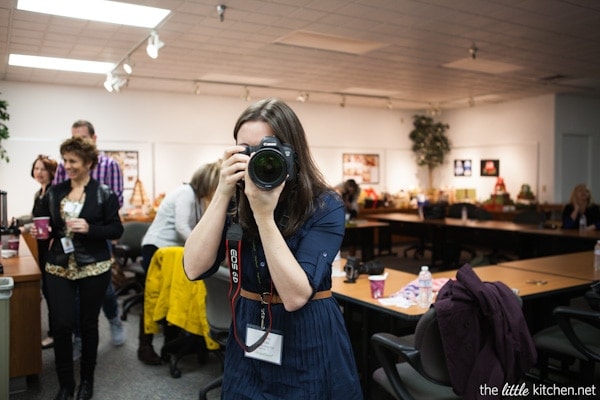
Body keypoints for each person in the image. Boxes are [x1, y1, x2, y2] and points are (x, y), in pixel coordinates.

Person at [183, 98, 363, 399]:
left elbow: (295, 296)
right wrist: (223, 191)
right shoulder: (232, 200)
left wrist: (263, 216)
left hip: (307, 332)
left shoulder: (324, 205)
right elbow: (193, 267)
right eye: (246, 150)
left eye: (268, 149)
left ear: (292, 151)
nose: (258, 160)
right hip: (249, 325)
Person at [37, 136, 123, 400]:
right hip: (58, 266)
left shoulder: (104, 193)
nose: (67, 165)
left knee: (88, 326)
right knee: (61, 325)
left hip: (93, 267)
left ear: (88, 163)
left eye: (73, 161)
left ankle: (86, 381)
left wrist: (90, 228)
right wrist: (41, 230)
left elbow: (116, 229)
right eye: (65, 160)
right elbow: (51, 225)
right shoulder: (56, 191)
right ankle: (65, 384)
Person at [137, 160, 221, 365]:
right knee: (155, 297)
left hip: (174, 253)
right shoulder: (186, 193)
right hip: (158, 250)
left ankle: (170, 343)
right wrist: (203, 247)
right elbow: (182, 228)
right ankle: (144, 346)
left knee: (172, 296)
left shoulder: (198, 200)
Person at [53, 119, 126, 354]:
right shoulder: (67, 165)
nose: (78, 142)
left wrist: (90, 217)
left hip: (96, 234)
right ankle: (78, 337)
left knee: (103, 289)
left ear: (93, 139)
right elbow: (57, 195)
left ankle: (114, 319)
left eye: (82, 138)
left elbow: (116, 202)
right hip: (69, 238)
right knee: (72, 290)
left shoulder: (108, 165)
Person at [30, 154, 58, 349]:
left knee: (51, 291)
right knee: (46, 290)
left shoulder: (53, 193)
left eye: (43, 169)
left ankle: (55, 333)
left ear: (51, 172)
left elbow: (57, 221)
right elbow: (35, 218)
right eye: (36, 168)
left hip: (51, 247)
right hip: (40, 246)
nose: (39, 172)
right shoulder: (38, 193)